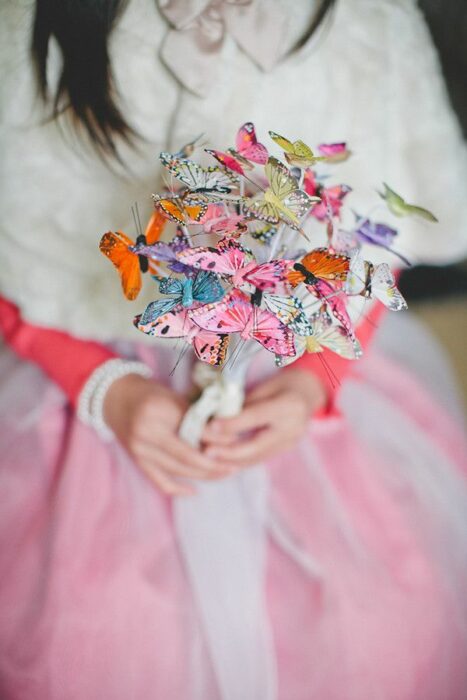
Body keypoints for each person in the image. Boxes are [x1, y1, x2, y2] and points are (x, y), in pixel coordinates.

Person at [0, 1, 467, 698]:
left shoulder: (368, 20)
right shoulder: (20, 25)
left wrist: (317, 377)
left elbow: (379, 234)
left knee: (380, 627)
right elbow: (13, 260)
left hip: (301, 362)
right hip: (92, 384)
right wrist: (103, 387)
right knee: (100, 639)